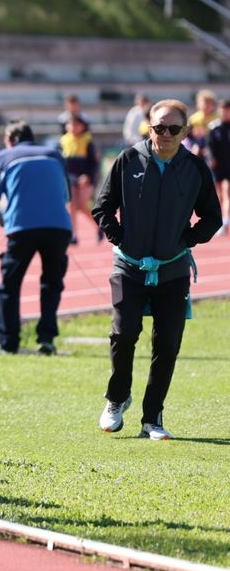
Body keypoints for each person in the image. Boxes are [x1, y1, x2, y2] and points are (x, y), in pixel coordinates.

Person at [92, 99, 221, 441]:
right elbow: (102, 208)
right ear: (149, 127)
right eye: (158, 127)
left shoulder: (195, 168)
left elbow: (213, 217)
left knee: (168, 344)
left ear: (184, 132)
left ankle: (153, 417)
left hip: (172, 270)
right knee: (123, 334)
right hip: (128, 268)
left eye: (173, 129)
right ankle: (117, 398)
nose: (164, 134)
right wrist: (120, 237)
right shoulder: (128, 160)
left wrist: (186, 241)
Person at [0, 121, 73, 356]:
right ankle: (47, 339)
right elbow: (66, 194)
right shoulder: (54, 155)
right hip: (58, 226)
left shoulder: (5, 157)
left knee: (10, 285)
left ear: (10, 139)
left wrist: (1, 218)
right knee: (52, 283)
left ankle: (8, 341)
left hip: (22, 227)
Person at [59, 114, 101, 245]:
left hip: (85, 176)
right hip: (69, 176)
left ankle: (99, 226)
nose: (72, 127)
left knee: (83, 205)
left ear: (82, 126)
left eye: (76, 124)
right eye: (70, 124)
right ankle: (73, 235)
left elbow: (94, 163)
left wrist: (88, 176)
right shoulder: (63, 140)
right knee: (71, 205)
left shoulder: (87, 141)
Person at [206, 98, 230, 236]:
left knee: (226, 192)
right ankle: (223, 219)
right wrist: (210, 158)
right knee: (220, 194)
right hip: (218, 166)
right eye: (222, 110)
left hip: (229, 166)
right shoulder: (214, 127)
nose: (224, 112)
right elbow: (209, 146)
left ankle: (225, 221)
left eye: (227, 110)